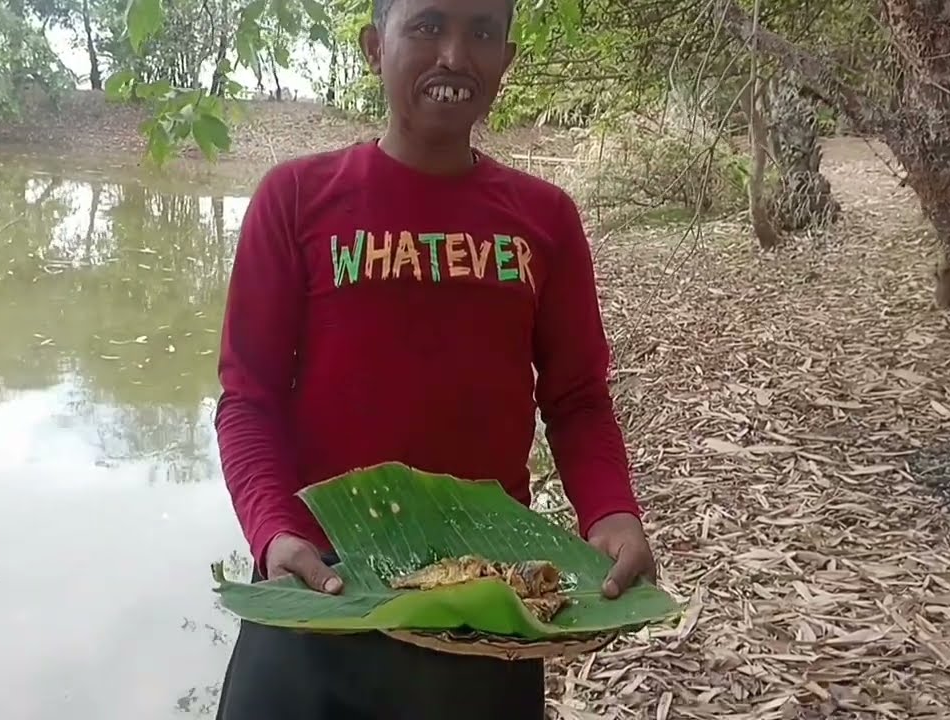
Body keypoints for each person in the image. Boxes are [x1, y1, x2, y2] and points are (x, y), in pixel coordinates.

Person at [212, 0, 657, 716]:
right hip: (320, 588)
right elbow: (247, 400)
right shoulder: (295, 199)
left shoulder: (544, 219)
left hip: (487, 603)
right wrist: (272, 532)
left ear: (506, 61)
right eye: (426, 26)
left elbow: (576, 400)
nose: (455, 54)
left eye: (482, 31)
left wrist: (609, 512)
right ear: (372, 46)